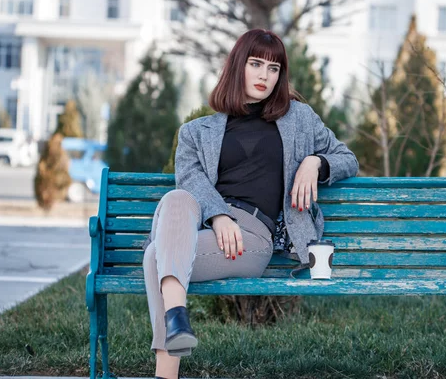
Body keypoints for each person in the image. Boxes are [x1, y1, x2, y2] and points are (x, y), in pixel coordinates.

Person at [142, 28, 359, 379]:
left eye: (273, 68)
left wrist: (315, 163)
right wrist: (219, 216)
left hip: (251, 239)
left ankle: (168, 359)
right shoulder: (197, 132)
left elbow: (346, 157)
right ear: (238, 65)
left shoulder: (299, 119)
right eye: (256, 63)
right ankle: (177, 320)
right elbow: (191, 181)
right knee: (177, 198)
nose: (264, 75)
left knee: (155, 257)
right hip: (208, 226)